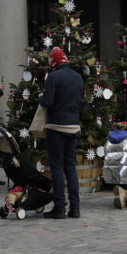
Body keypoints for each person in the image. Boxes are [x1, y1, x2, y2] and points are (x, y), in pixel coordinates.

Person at [38, 46, 84, 220]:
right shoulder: (78, 77)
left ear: (53, 63)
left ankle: (59, 207)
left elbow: (47, 102)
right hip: (73, 126)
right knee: (70, 167)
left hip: (56, 126)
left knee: (57, 167)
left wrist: (41, 97)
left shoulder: (53, 77)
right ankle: (75, 208)